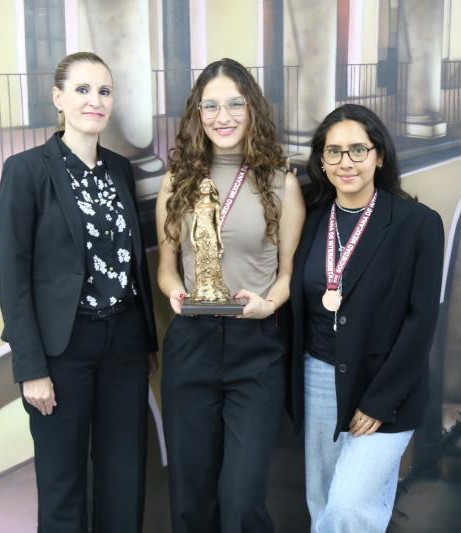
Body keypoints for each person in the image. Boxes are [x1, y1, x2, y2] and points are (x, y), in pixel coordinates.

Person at [0, 51, 158, 533]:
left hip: (125, 345)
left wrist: (146, 342)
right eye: (82, 90)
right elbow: (12, 277)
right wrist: (31, 368)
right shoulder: (26, 171)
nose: (95, 101)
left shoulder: (120, 169)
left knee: (124, 478)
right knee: (62, 484)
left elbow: (132, 262)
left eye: (104, 91)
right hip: (62, 351)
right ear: (58, 98)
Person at [155, 57, 305, 533]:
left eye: (235, 104)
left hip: (255, 350)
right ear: (197, 114)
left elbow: (287, 275)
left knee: (241, 501)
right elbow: (166, 270)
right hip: (191, 344)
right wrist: (177, 294)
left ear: (252, 108)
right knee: (191, 499)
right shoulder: (176, 182)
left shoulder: (280, 181)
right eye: (211, 105)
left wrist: (269, 304)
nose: (223, 116)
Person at [289, 104, 444, 533]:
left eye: (358, 149)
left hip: (384, 385)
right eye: (334, 152)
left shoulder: (418, 224)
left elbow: (421, 322)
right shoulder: (310, 219)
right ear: (322, 162)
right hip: (318, 376)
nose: (346, 162)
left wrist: (380, 400)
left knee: (348, 506)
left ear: (379, 155)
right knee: (322, 502)